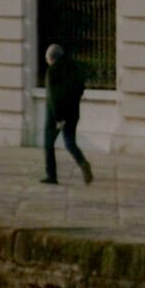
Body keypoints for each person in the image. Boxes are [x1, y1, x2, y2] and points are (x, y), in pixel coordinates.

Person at [42, 43, 92, 184]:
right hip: (73, 113)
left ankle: (51, 175)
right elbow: (81, 88)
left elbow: (53, 97)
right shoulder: (74, 67)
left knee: (48, 144)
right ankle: (83, 163)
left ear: (51, 58)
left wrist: (59, 118)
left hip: (56, 116)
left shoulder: (52, 71)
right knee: (70, 142)